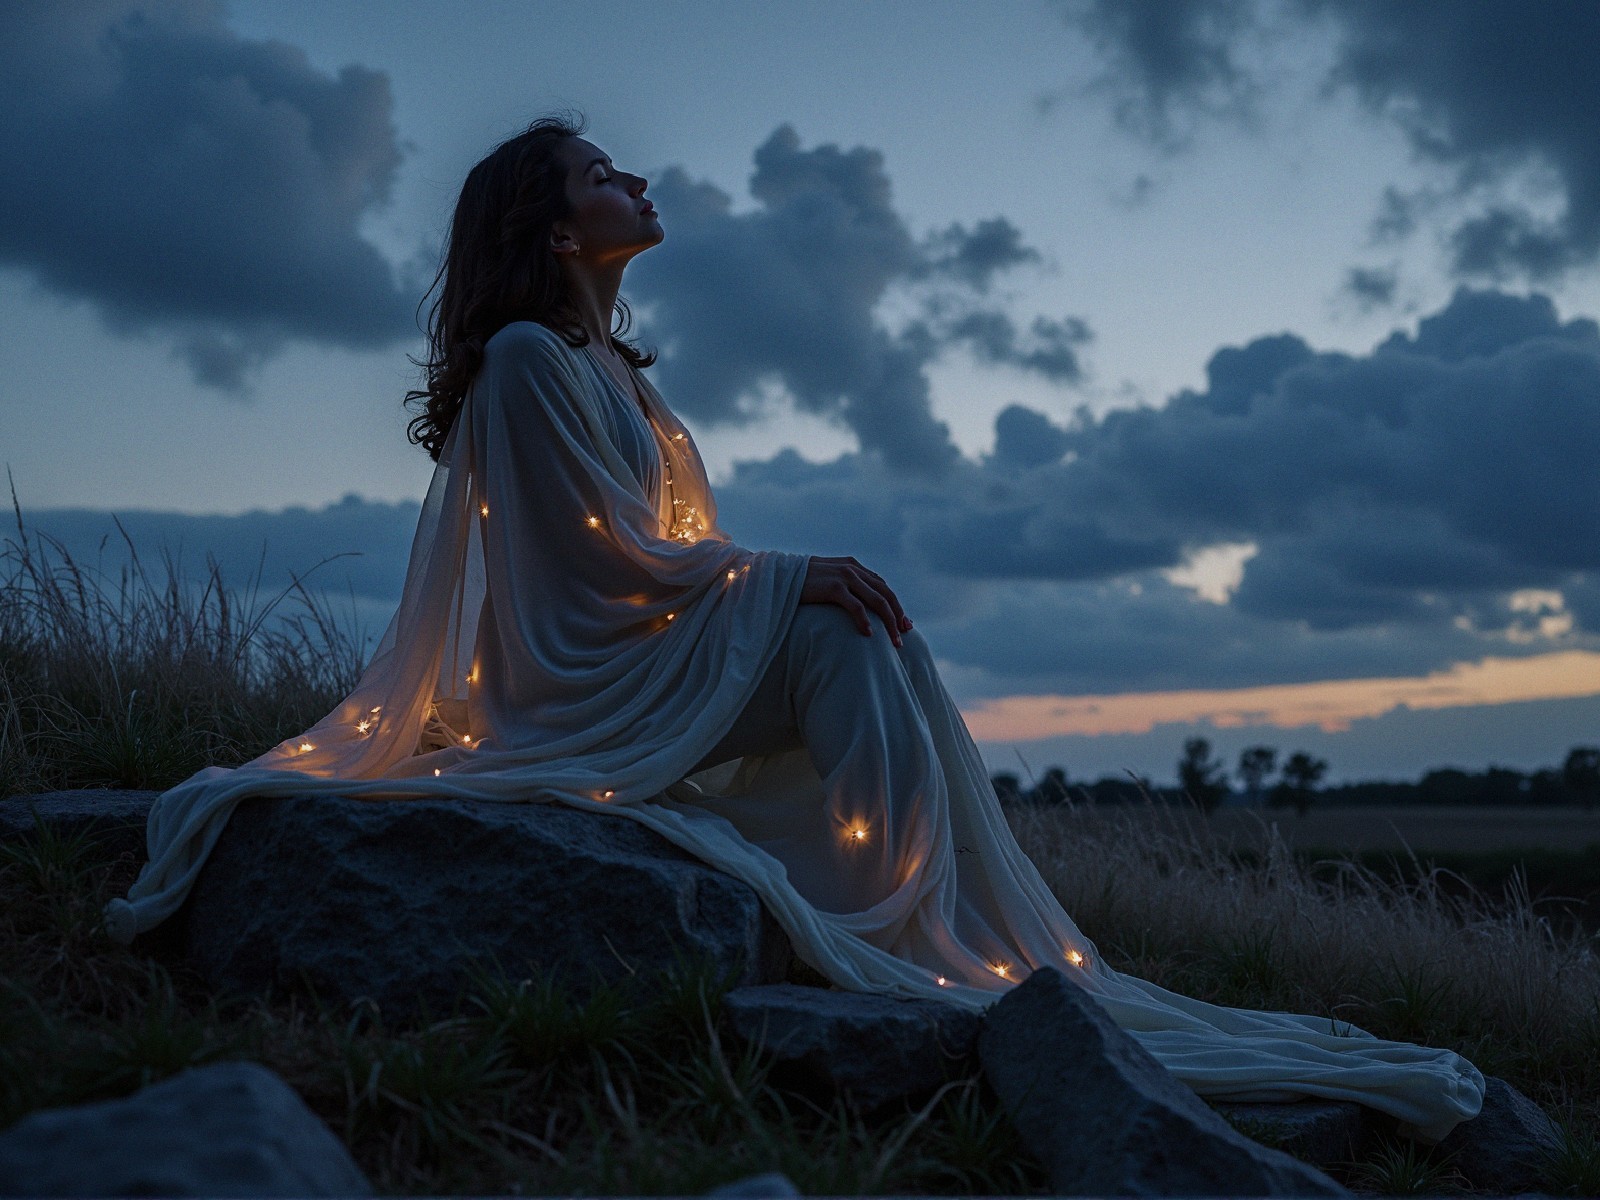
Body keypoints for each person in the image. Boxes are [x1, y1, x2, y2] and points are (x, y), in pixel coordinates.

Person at [106, 113, 1483, 1141]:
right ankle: (902, 932)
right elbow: (592, 579)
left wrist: (779, 580)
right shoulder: (527, 362)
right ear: (552, 228)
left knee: (863, 628)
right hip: (578, 682)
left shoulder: (622, 376)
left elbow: (669, 553)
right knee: (835, 623)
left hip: (647, 648)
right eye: (602, 174)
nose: (635, 179)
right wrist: (781, 580)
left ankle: (923, 923)